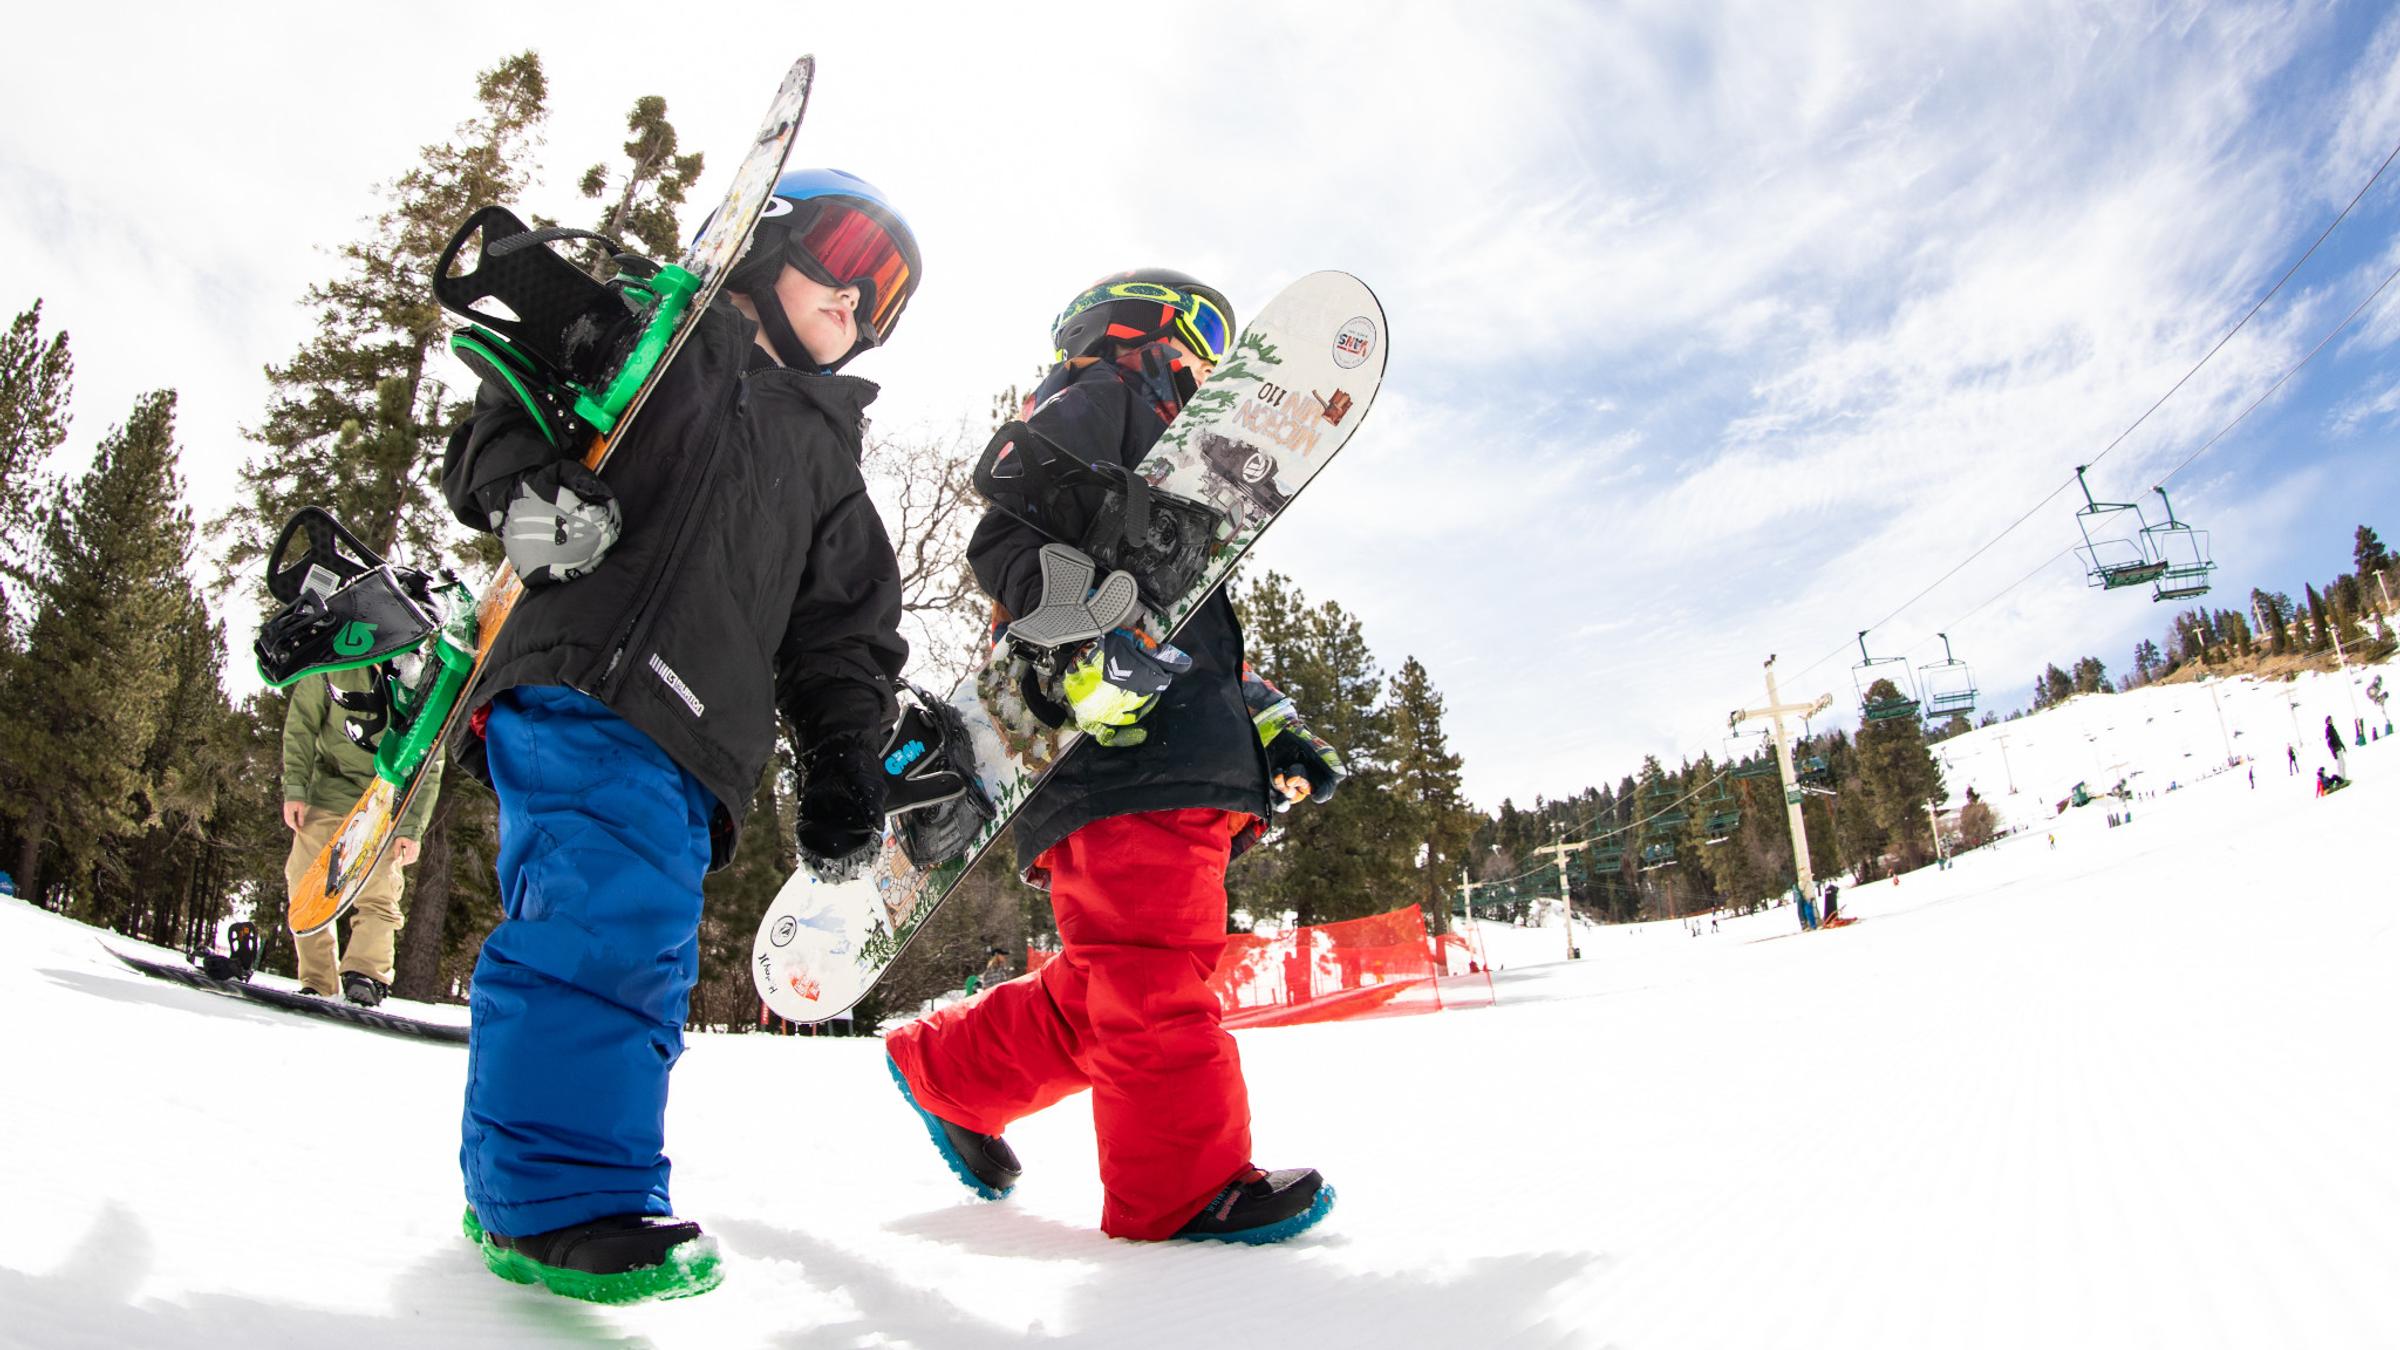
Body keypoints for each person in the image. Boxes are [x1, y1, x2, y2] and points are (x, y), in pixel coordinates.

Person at [439, 169, 922, 1302]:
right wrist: (525, 496)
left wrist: (846, 761)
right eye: (848, 262)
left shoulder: (826, 461)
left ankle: (534, 1180)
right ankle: (561, 1201)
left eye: (883, 305)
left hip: (699, 736)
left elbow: (843, 636)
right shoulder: (645, 337)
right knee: (605, 921)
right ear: (766, 235)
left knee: (639, 942)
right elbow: (499, 420)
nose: (857, 304)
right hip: (584, 668)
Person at [883, 270, 1347, 1245]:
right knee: (1150, 973)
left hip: (1175, 752)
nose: (1213, 368)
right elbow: (1007, 536)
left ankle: (953, 1071)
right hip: (1119, 747)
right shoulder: (1108, 396)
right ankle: (1180, 1189)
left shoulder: (1177, 484)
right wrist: (1076, 606)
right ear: (1138, 330)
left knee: (1127, 978)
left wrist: (1266, 727)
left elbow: (1186, 632)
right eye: (1205, 339)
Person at [281, 665, 442, 1005]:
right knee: (303, 882)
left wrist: (412, 827)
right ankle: (317, 980)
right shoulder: (333, 663)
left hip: (386, 800)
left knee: (379, 891)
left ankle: (367, 976)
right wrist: (295, 786)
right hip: (330, 792)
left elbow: (430, 755)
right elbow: (302, 724)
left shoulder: (420, 674)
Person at [2325, 715, 2349, 782]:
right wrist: (2332, 751)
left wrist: (2343, 746)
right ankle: (2341, 778)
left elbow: (2338, 738)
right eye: (2329, 720)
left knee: (2342, 763)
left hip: (2338, 747)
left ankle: (2342, 778)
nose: (2331, 721)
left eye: (2331, 719)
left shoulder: (2333, 728)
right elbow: (2329, 742)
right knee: (2340, 764)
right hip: (2335, 749)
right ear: (2327, 722)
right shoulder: (2328, 730)